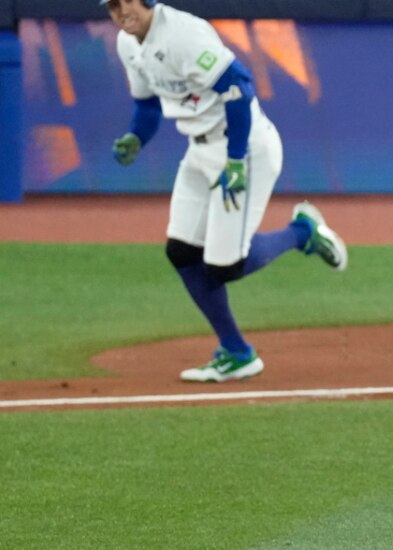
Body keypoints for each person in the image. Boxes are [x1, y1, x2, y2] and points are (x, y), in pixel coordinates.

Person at [102, 0, 348, 381]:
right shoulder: (128, 44)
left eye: (125, 2)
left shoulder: (184, 34)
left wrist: (234, 161)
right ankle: (237, 352)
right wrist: (137, 136)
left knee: (225, 266)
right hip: (198, 150)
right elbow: (148, 105)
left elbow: (239, 87)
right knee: (182, 252)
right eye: (111, 6)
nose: (120, 13)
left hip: (244, 148)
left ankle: (302, 233)